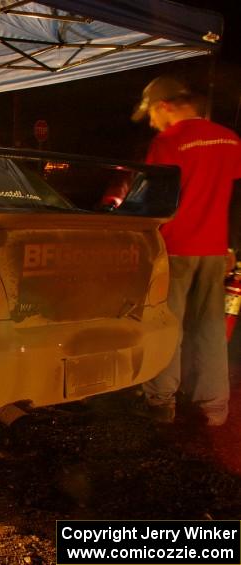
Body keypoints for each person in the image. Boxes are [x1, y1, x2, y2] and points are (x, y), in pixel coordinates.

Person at [132, 75, 241, 426]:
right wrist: (231, 245)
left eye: (151, 114)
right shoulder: (231, 138)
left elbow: (152, 198)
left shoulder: (169, 141)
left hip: (174, 248)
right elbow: (235, 196)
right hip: (213, 250)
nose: (152, 122)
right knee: (209, 327)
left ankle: (161, 401)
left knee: (167, 326)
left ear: (165, 106)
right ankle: (213, 408)